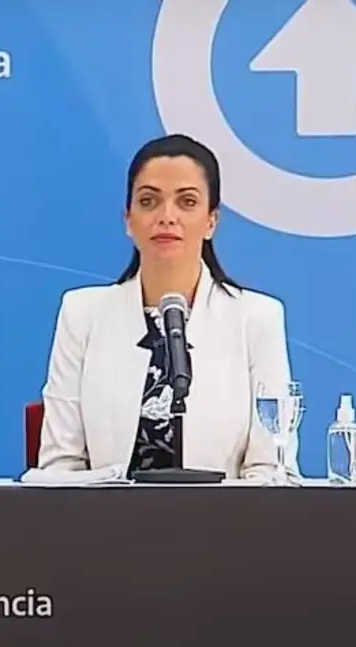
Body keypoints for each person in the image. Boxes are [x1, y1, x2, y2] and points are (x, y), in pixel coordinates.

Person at [35, 134, 297, 481]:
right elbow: (59, 467)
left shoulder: (256, 318)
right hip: (104, 515)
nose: (167, 217)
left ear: (211, 221)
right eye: (149, 201)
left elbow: (272, 470)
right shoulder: (82, 314)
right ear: (128, 219)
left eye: (187, 202)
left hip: (224, 515)